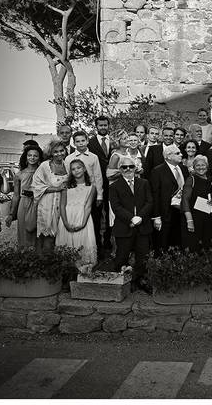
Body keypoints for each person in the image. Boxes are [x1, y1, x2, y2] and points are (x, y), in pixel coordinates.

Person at [108, 156, 154, 293]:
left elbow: (149, 202)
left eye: (131, 166)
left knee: (143, 256)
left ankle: (140, 280)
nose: (128, 169)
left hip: (143, 225)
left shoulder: (144, 183)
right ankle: (121, 283)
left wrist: (140, 217)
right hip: (124, 226)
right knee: (122, 256)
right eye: (124, 167)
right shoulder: (114, 186)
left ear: (135, 168)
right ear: (120, 169)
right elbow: (116, 207)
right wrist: (131, 218)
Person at [56, 159, 98, 266]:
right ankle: (66, 275)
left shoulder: (91, 187)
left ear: (84, 169)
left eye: (78, 168)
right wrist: (65, 223)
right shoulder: (66, 186)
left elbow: (88, 206)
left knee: (82, 244)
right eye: (73, 169)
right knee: (67, 245)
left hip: (82, 216)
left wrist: (83, 223)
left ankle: (82, 274)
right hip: (67, 216)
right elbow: (62, 205)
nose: (76, 171)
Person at [150, 144, 190, 253]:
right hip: (165, 213)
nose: (181, 155)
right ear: (168, 156)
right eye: (177, 153)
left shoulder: (183, 168)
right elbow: (155, 195)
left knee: (179, 242)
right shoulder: (157, 171)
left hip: (181, 212)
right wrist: (156, 216)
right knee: (163, 243)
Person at [31, 141, 69, 253]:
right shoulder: (44, 166)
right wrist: (57, 188)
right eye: (55, 152)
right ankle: (41, 261)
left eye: (61, 150)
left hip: (63, 203)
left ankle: (55, 260)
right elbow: (36, 186)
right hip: (47, 203)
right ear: (51, 153)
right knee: (45, 233)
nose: (59, 154)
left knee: (59, 232)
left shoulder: (67, 164)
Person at [88, 115, 115, 254]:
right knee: (96, 214)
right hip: (96, 184)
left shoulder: (115, 142)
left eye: (105, 125)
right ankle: (97, 242)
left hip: (112, 183)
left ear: (108, 125)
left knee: (111, 211)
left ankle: (108, 239)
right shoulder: (90, 143)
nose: (103, 127)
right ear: (96, 127)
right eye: (100, 125)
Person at [8, 145, 42, 249]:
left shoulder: (43, 171)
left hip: (39, 203)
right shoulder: (19, 174)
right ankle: (24, 257)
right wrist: (11, 213)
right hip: (24, 203)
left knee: (38, 231)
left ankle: (39, 258)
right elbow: (16, 195)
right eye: (29, 155)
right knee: (23, 231)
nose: (32, 158)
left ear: (39, 158)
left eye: (35, 156)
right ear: (26, 157)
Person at [181, 155, 212, 252]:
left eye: (203, 165)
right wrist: (189, 220)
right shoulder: (191, 179)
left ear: (207, 166)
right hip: (195, 218)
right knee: (194, 246)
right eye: (197, 165)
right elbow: (185, 200)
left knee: (208, 245)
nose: (201, 167)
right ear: (194, 167)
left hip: (209, 217)